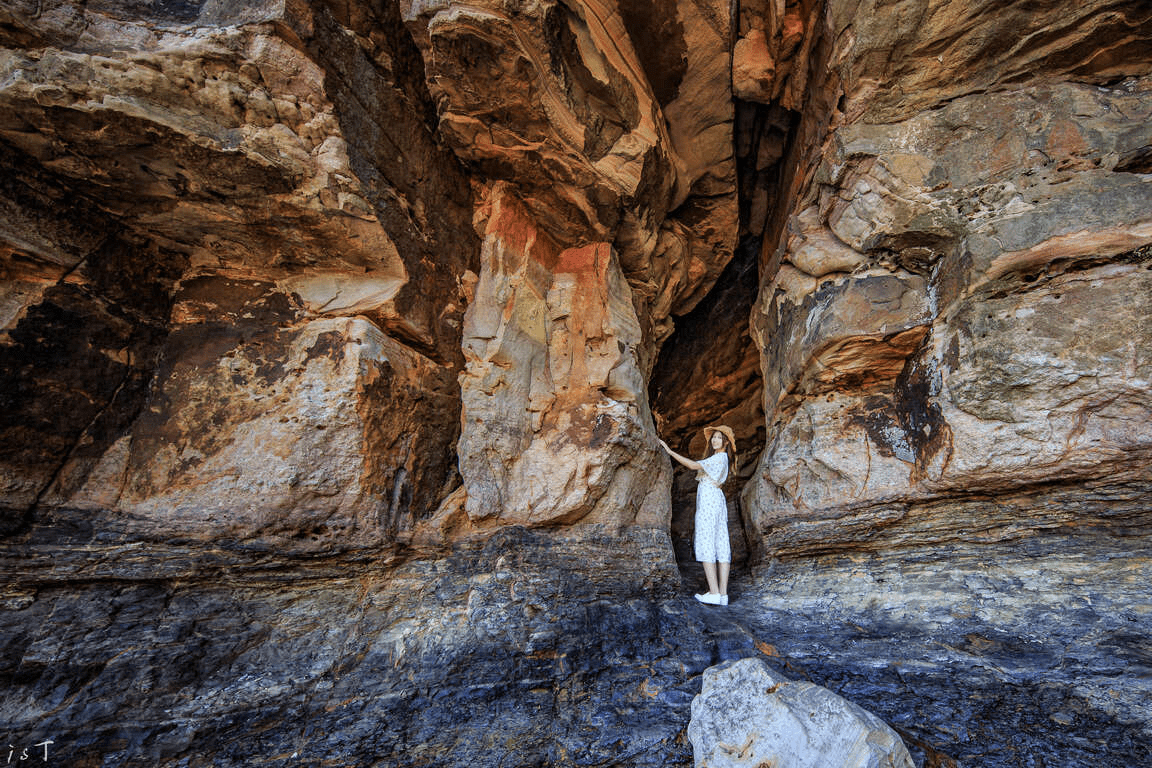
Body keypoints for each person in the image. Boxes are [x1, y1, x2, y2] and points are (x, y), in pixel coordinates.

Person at [658, 425, 736, 606]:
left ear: (726, 442)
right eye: (714, 437)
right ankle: (723, 595)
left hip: (710, 503)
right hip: (716, 502)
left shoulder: (718, 458)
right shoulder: (721, 459)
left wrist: (669, 451)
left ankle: (714, 593)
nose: (715, 440)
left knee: (707, 541)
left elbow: (693, 465)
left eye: (719, 437)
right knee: (721, 543)